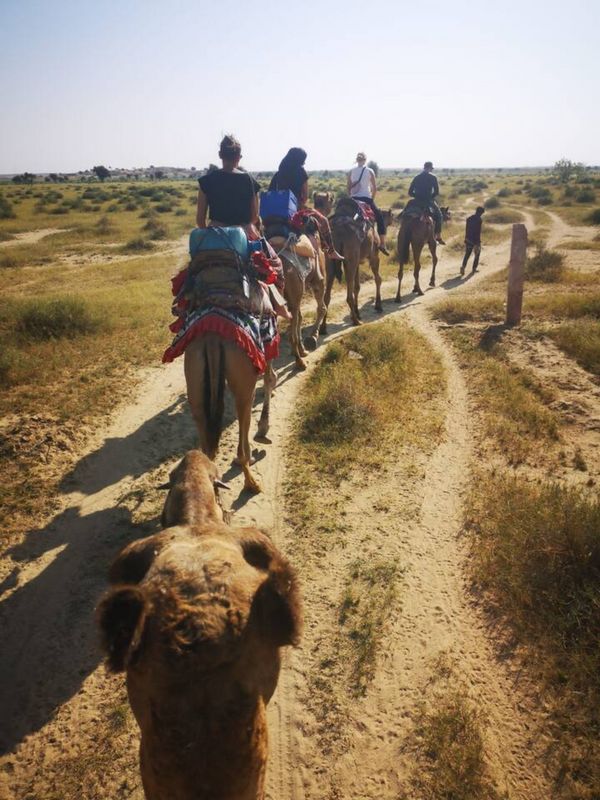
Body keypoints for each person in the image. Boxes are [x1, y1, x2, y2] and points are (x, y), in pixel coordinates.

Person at [270, 148, 343, 260]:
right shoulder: (301, 172)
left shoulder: (278, 174)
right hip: (296, 210)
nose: (304, 162)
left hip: (275, 212)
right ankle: (331, 251)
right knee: (323, 220)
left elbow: (271, 192)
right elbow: (305, 195)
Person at [196, 134, 260, 231]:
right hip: (241, 234)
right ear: (239, 157)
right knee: (266, 246)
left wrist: (208, 235)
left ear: (220, 155)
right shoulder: (249, 180)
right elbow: (254, 217)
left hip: (215, 233)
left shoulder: (206, 181)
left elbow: (200, 220)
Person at [347, 152, 389, 255]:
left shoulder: (351, 171)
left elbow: (348, 188)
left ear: (356, 160)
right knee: (379, 217)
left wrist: (351, 197)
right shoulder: (370, 171)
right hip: (366, 199)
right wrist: (371, 199)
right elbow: (374, 188)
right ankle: (382, 244)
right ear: (365, 160)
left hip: (353, 200)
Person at [408, 161, 445, 244]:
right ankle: (438, 237)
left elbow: (410, 192)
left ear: (424, 167)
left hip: (416, 200)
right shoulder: (433, 177)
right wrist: (429, 197)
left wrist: (417, 196)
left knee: (405, 213)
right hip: (428, 201)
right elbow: (436, 192)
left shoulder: (416, 177)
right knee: (439, 216)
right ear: (430, 168)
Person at [461, 206, 485, 275]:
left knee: (467, 254)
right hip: (475, 240)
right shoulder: (479, 220)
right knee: (477, 254)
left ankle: (463, 266)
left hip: (468, 239)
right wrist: (478, 242)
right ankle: (474, 269)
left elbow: (467, 230)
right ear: (481, 213)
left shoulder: (469, 218)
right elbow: (478, 232)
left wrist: (466, 238)